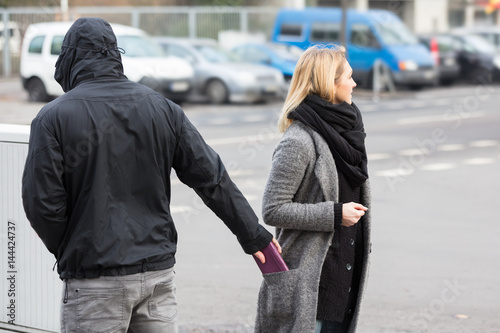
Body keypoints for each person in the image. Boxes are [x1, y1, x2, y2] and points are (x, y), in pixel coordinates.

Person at [22, 17, 279, 332]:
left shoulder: (52, 118)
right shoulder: (163, 109)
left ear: (70, 57)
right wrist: (253, 235)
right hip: (156, 275)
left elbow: (42, 204)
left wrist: (74, 247)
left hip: (93, 283)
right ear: (115, 54)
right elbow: (212, 178)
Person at [254, 45, 372, 333]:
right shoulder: (299, 140)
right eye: (349, 77)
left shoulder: (349, 135)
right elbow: (273, 209)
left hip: (344, 275)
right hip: (312, 282)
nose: (354, 84)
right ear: (328, 83)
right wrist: (334, 214)